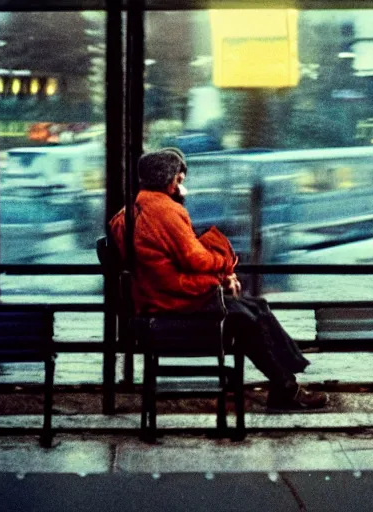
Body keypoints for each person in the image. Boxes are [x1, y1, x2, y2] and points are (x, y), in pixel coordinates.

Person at [109, 149, 329, 411]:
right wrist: (224, 266)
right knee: (245, 319)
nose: (182, 186)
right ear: (171, 181)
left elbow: (177, 261)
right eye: (180, 179)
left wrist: (219, 277)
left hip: (158, 300)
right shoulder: (165, 211)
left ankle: (288, 379)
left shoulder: (132, 210)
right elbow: (196, 259)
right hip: (170, 307)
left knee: (255, 305)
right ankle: (286, 386)